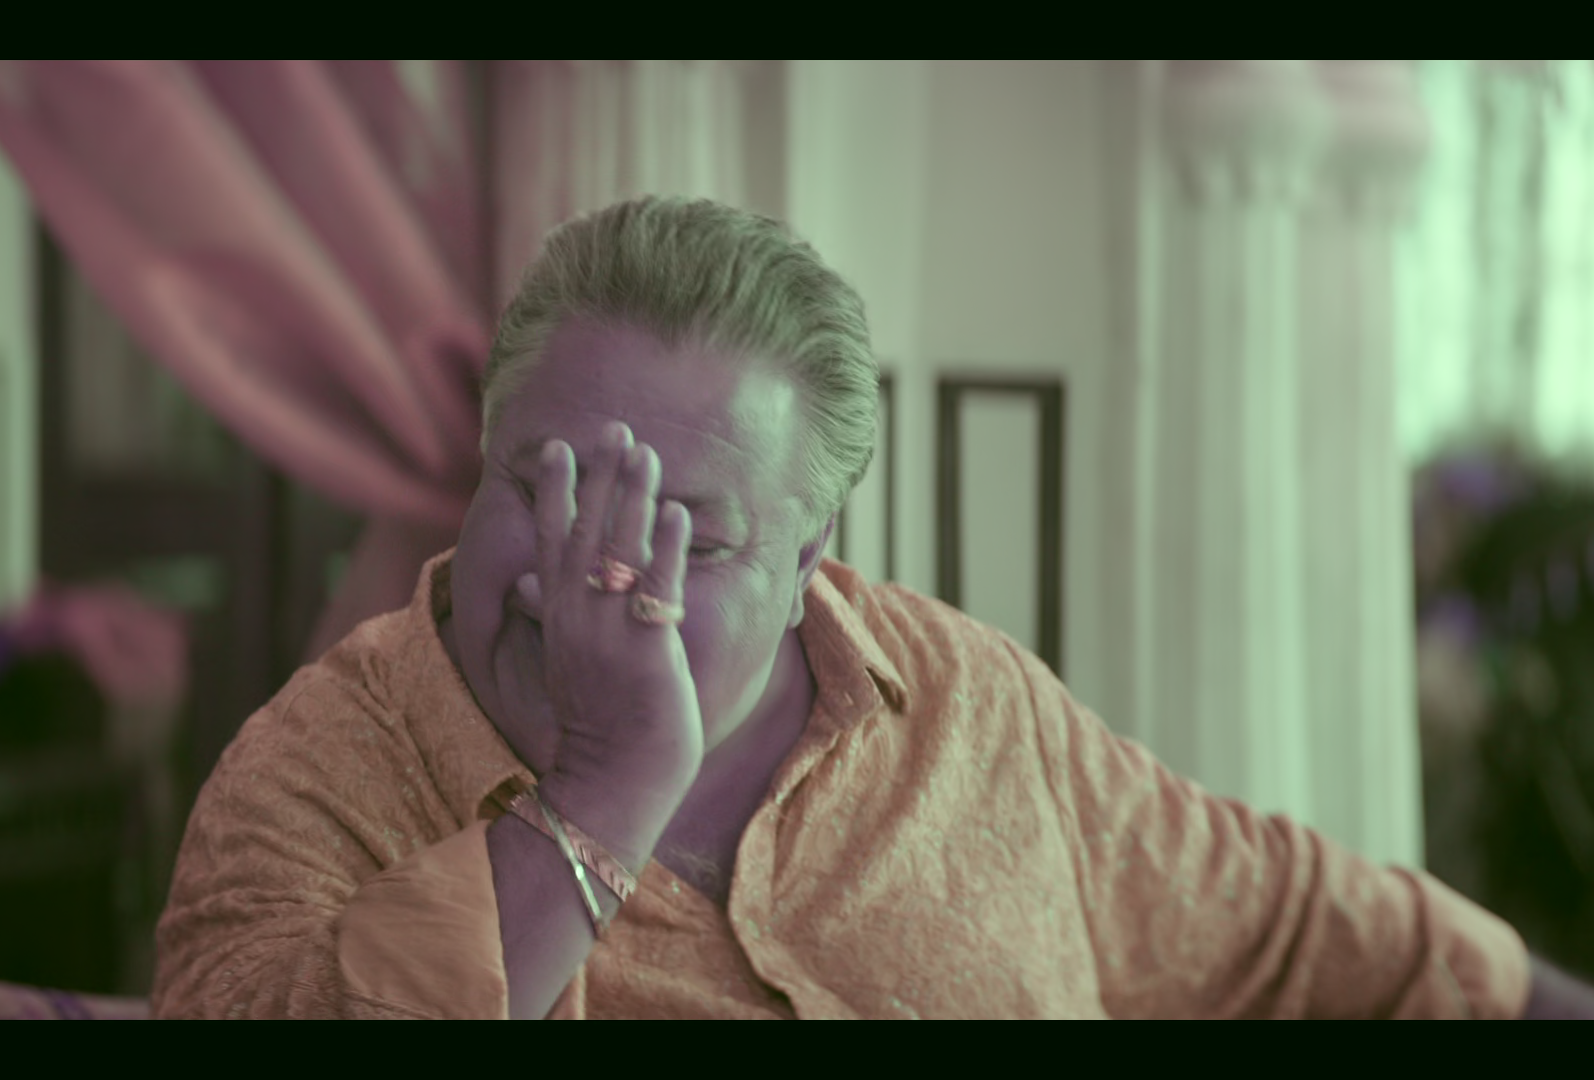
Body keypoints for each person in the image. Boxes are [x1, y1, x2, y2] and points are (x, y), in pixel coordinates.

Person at [152, 196, 1593, 1019]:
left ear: (809, 560)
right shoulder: (316, 774)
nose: (586, 573)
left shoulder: (966, 700)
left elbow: (1294, 925)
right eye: (545, 487)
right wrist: (597, 801)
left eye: (686, 536)